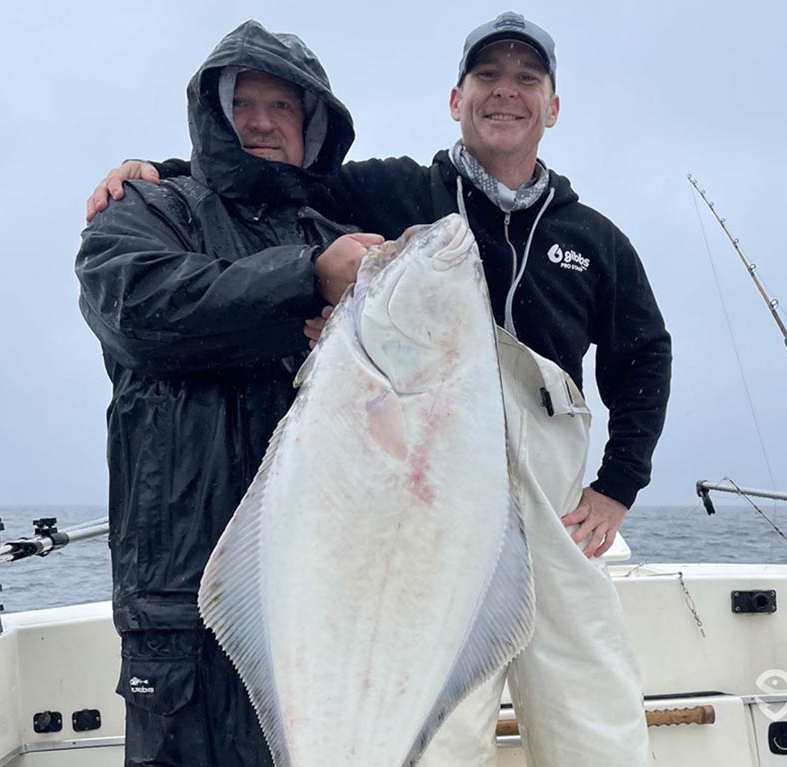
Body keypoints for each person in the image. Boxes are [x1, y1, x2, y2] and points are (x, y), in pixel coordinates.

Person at [86, 12, 671, 767]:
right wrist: (157, 171)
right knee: (444, 722)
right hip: (442, 489)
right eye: (488, 78)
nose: (506, 93)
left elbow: (646, 354)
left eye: (527, 79)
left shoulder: (594, 238)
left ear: (552, 108)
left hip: (553, 502)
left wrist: (619, 484)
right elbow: (257, 175)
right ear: (454, 99)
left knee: (592, 705)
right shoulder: (392, 193)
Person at [75, 20, 383, 767]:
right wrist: (305, 281)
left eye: (282, 106)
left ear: (312, 127)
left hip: (318, 600)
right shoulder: (148, 210)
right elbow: (141, 309)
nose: (259, 120)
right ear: (213, 115)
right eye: (241, 103)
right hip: (177, 610)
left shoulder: (343, 238)